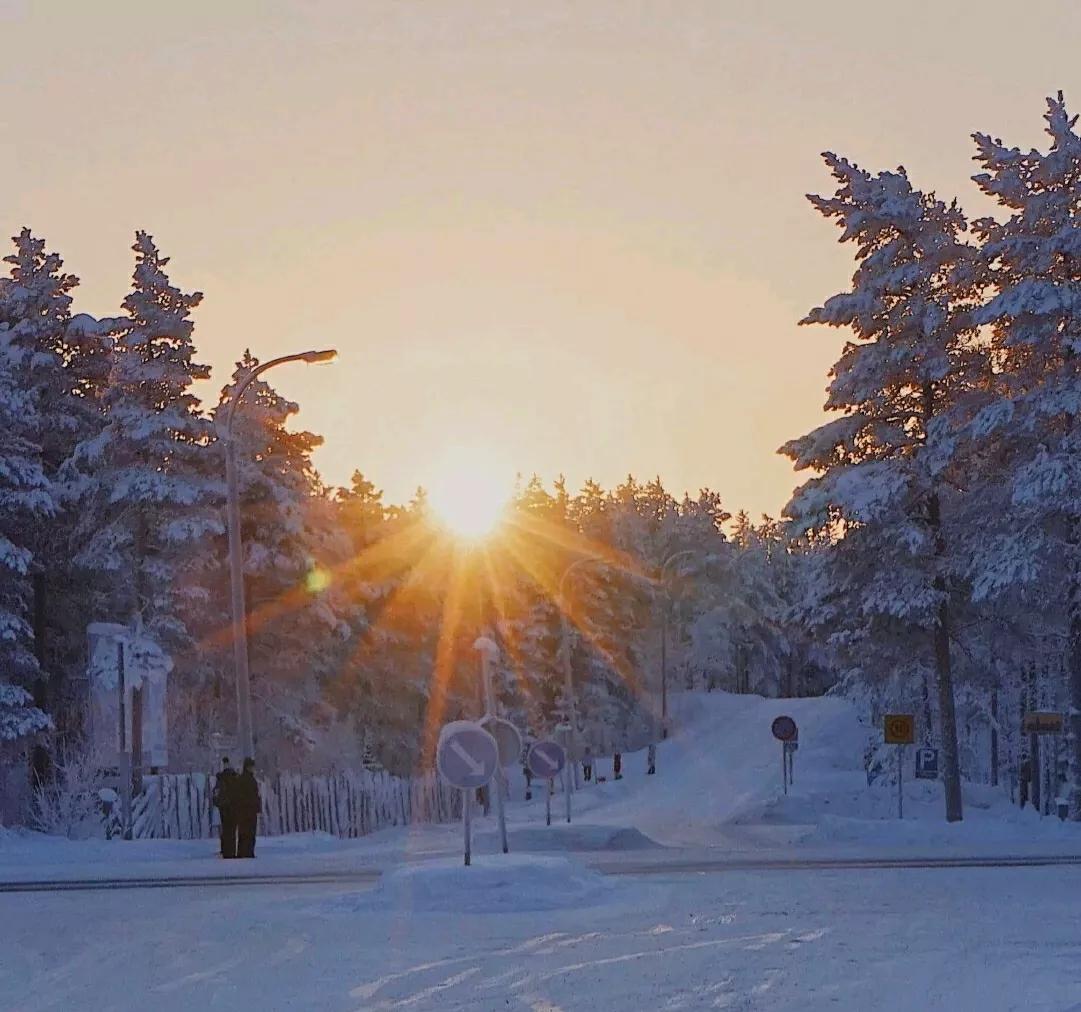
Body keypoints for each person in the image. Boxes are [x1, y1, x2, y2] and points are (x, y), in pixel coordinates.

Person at [234, 757, 261, 859]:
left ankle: (242, 852)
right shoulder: (250, 780)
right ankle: (248, 852)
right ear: (248, 767)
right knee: (250, 833)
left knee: (243, 832)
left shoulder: (241, 779)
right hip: (249, 810)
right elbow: (253, 796)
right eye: (252, 766)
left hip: (243, 811)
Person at [212, 757, 238, 859]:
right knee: (231, 830)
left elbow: (216, 794)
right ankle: (231, 850)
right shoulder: (234, 778)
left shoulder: (220, 778)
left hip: (223, 808)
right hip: (232, 807)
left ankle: (225, 850)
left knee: (225, 829)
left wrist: (218, 803)